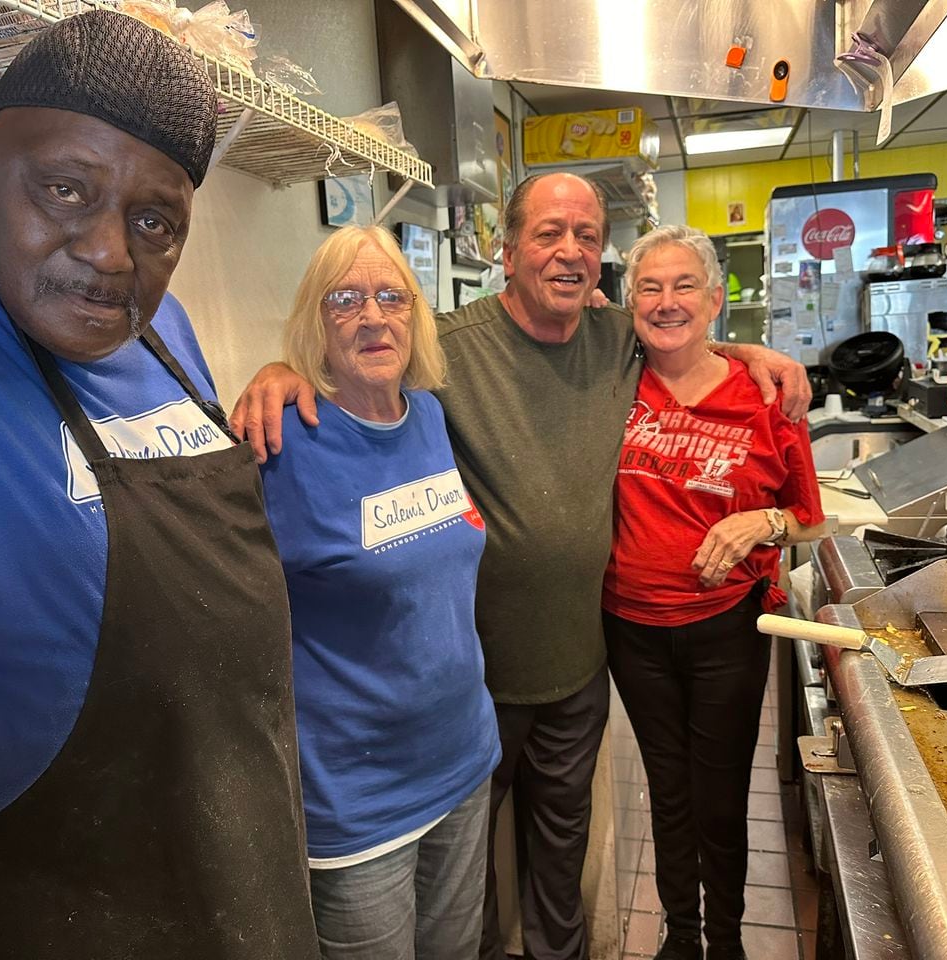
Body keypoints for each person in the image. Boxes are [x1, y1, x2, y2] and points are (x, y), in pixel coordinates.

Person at [0, 12, 318, 960]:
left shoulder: (165, 326)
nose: (109, 253)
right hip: (19, 904)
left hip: (233, 880)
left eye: (154, 221)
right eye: (64, 189)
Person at [230, 172, 811, 960]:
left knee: (554, 870)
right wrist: (279, 372)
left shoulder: (615, 340)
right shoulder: (449, 352)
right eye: (547, 234)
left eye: (585, 235)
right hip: (477, 683)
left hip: (578, 666)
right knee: (467, 893)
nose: (568, 251)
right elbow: (360, 358)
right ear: (506, 250)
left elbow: (682, 332)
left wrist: (752, 350)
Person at [259, 225, 500, 960]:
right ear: (314, 320)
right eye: (346, 299)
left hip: (462, 760)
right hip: (357, 798)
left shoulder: (428, 416)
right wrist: (272, 369)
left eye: (392, 295)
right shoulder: (282, 439)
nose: (373, 316)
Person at [602, 225, 826, 960]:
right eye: (650, 288)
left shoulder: (764, 395)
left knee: (720, 796)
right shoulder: (610, 378)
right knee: (669, 793)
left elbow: (807, 520)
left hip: (726, 627)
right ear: (630, 302)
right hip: (630, 628)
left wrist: (758, 522)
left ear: (718, 297)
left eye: (684, 286)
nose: (666, 303)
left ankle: (725, 941)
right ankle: (682, 938)